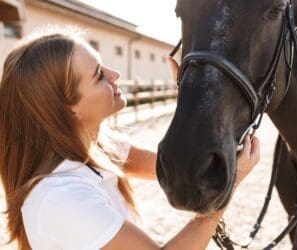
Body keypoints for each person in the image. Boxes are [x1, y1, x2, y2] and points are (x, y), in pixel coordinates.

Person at [0, 28, 260, 250]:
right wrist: (231, 182)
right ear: (68, 109)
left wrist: (193, 95)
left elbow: (171, 169)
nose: (115, 75)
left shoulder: (97, 148)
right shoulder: (60, 198)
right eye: (99, 75)